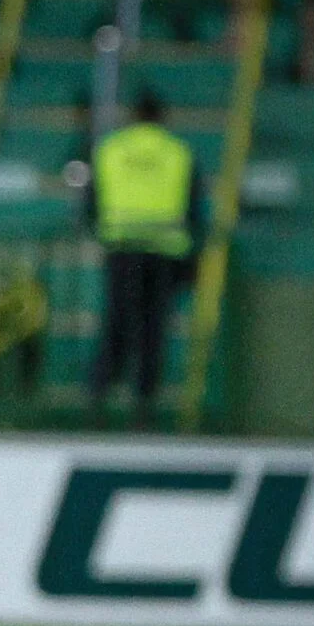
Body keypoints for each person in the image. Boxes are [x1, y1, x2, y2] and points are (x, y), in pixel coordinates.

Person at [85, 91, 200, 426]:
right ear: (162, 117)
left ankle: (98, 394)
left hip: (122, 250)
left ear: (133, 116)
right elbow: (195, 208)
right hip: (164, 253)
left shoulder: (110, 149)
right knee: (153, 328)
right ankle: (143, 403)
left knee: (118, 322)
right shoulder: (178, 152)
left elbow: (91, 201)